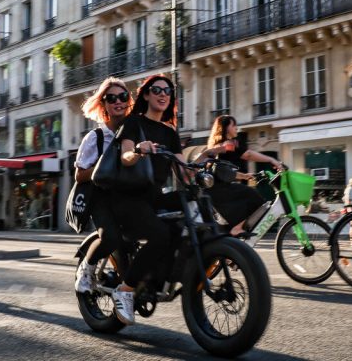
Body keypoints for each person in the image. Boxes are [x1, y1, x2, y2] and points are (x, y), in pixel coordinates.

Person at [110, 74, 184, 325]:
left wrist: (206, 169)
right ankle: (126, 289)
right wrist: (139, 150)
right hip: (129, 198)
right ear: (146, 95)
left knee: (190, 210)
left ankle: (159, 277)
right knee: (161, 234)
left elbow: (183, 170)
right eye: (157, 90)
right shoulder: (133, 123)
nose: (163, 94)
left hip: (154, 198)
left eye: (168, 91)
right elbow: (125, 156)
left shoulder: (170, 132)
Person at [74, 77, 132, 293]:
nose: (118, 101)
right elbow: (79, 176)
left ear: (129, 100)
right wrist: (104, 168)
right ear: (104, 104)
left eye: (123, 96)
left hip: (127, 196)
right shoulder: (95, 138)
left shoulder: (134, 131)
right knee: (111, 237)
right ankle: (87, 269)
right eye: (111, 98)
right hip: (101, 198)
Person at [198, 115, 283, 236]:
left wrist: (244, 176)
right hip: (219, 190)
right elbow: (248, 155)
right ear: (226, 128)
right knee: (251, 195)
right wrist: (271, 160)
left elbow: (222, 171)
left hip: (215, 190)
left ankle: (235, 236)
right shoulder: (228, 145)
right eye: (234, 125)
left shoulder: (219, 145)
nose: (237, 128)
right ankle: (237, 228)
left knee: (247, 196)